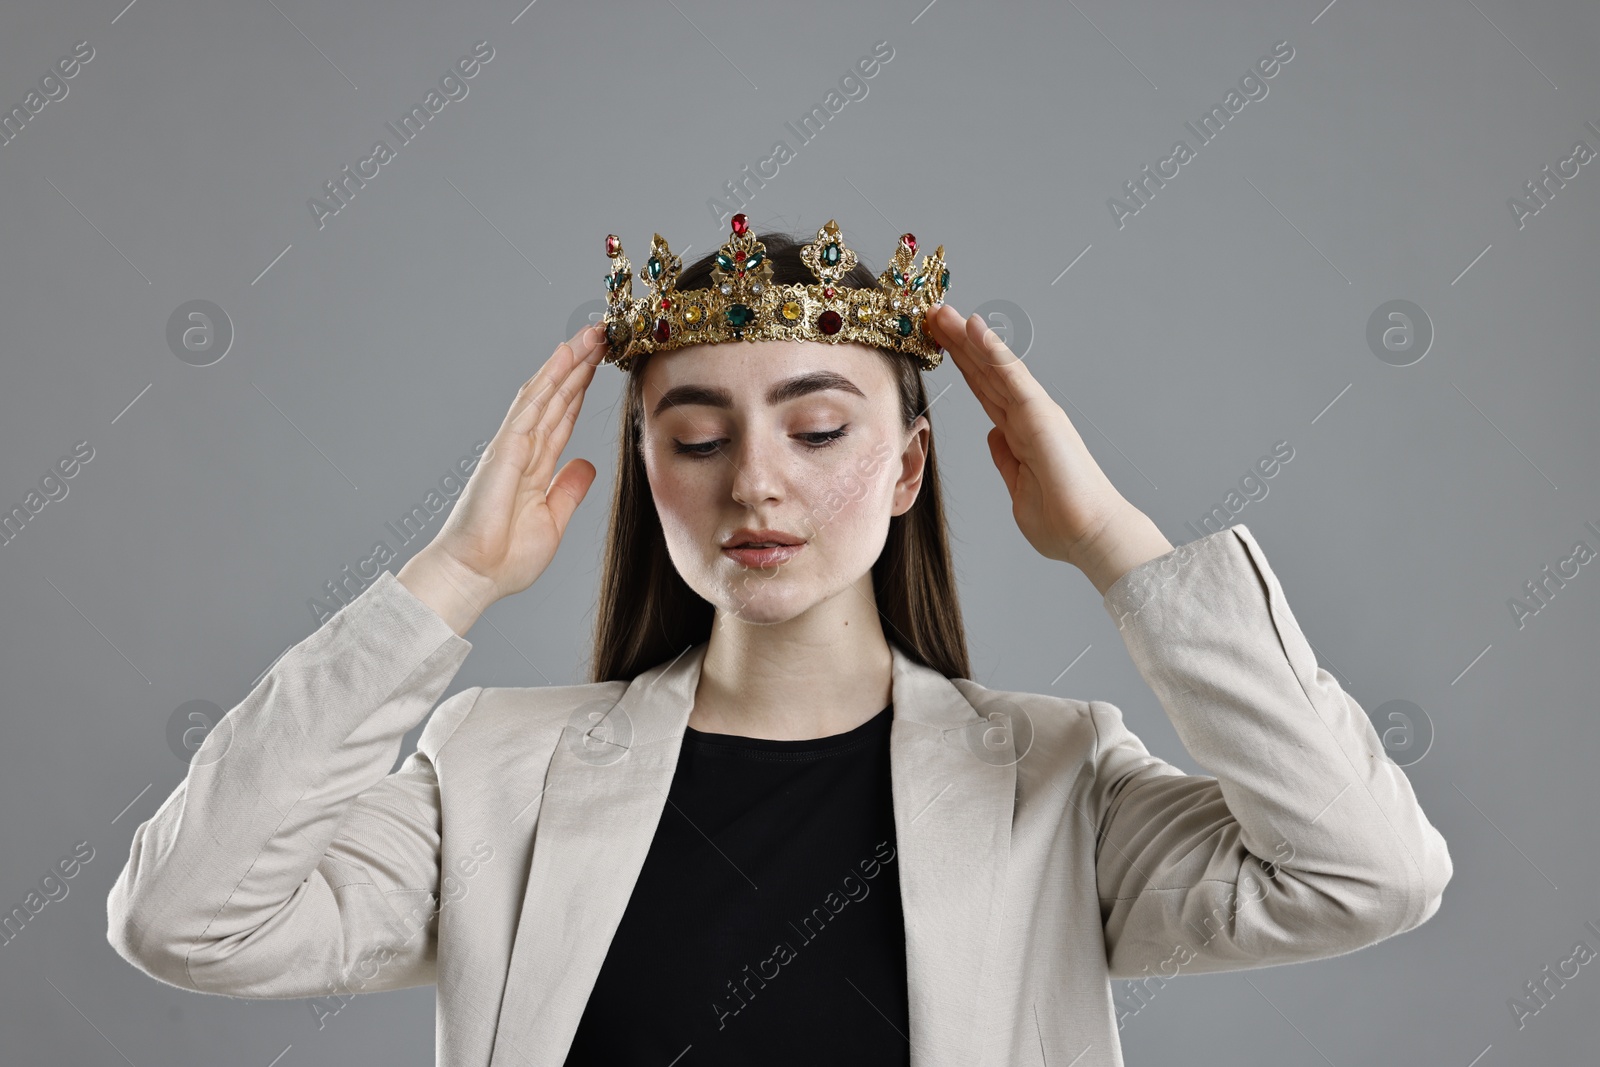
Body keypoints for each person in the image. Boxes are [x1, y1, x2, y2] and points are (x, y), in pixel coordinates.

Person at [106, 216, 1453, 1067]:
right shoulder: (495, 774)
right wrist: (451, 580)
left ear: (912, 469)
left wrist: (1115, 541)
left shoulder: (1053, 786)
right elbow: (188, 921)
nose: (755, 482)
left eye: (818, 431)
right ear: (647, 473)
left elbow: (1367, 876)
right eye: (696, 438)